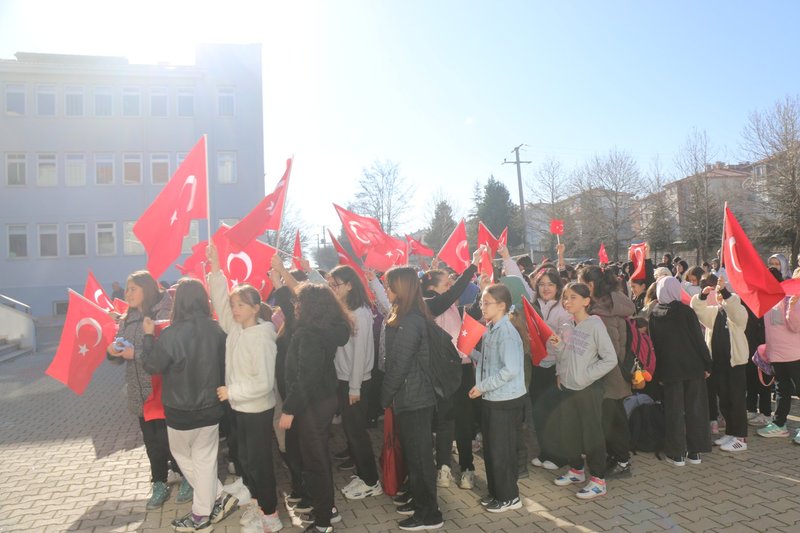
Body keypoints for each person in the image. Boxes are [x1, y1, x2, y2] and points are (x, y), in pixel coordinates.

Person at [140, 278, 237, 531]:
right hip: (211, 407)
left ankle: (201, 517)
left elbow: (151, 365)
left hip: (179, 411)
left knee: (186, 458)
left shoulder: (170, 334)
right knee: (204, 461)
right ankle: (218, 497)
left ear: (178, 302)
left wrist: (148, 337)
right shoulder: (217, 330)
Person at [206, 244, 283, 533]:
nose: (235, 309)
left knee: (260, 463)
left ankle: (270, 516)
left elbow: (263, 383)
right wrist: (216, 269)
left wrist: (232, 391)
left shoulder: (261, 338)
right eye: (234, 304)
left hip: (256, 410)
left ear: (255, 308)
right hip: (240, 408)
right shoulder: (237, 329)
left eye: (241, 305)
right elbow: (220, 303)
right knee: (247, 462)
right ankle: (256, 503)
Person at [278, 283, 351, 533]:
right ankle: (327, 509)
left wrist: (289, 409)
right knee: (317, 458)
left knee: (316, 462)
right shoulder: (325, 329)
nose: (295, 306)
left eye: (298, 301)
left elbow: (306, 378)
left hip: (312, 404)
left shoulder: (309, 334)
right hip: (322, 400)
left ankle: (322, 523)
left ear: (309, 306)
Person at [106, 271, 180, 510]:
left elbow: (167, 352)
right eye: (127, 289)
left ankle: (185, 476)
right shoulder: (127, 318)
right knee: (151, 442)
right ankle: (159, 483)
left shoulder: (163, 314)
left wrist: (135, 354)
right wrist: (112, 352)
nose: (127, 294)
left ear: (146, 290)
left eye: (132, 289)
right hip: (139, 392)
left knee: (170, 440)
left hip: (161, 391)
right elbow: (120, 353)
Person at [382, 267, 444, 531]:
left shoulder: (411, 320)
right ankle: (420, 502)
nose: (386, 290)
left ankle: (429, 515)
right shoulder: (408, 314)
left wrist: (385, 397)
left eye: (389, 286)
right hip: (411, 397)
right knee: (415, 457)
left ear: (401, 288)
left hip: (415, 399)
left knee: (420, 459)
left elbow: (399, 365)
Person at [549, 282, 617, 499]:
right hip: (567, 386)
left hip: (588, 388)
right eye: (565, 297)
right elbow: (565, 354)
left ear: (586, 301)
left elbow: (610, 359)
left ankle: (598, 480)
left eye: (573, 297)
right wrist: (560, 367)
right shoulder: (566, 325)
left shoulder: (595, 325)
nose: (567, 301)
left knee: (592, 434)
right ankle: (576, 470)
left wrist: (586, 376)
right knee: (569, 430)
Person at [420, 249, 481, 490]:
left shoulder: (451, 306)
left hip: (463, 368)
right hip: (444, 371)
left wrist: (484, 291)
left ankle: (467, 468)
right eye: (447, 283)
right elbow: (453, 293)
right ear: (432, 287)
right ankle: (443, 467)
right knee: (445, 420)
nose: (451, 286)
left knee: (465, 420)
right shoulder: (429, 304)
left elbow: (470, 314)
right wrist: (472, 267)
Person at [469, 282, 527, 512]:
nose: (482, 307)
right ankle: (496, 493)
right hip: (493, 398)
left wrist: (482, 387)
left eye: (487, 303)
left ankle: (509, 496)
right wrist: (468, 351)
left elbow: (510, 369)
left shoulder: (506, 333)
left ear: (502, 305)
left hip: (505, 400)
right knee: (492, 450)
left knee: (502, 451)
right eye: (481, 302)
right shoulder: (492, 329)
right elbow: (488, 361)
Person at [327, 265, 382, 500]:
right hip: (345, 379)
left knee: (357, 433)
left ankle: (371, 481)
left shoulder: (360, 313)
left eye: (336, 285)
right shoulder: (344, 308)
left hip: (356, 382)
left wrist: (355, 387)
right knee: (351, 432)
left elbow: (360, 353)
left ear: (350, 285)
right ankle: (363, 474)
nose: (332, 288)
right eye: (330, 285)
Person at [578, 266, 635, 479]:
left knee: (614, 421)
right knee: (611, 419)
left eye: (581, 284)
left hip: (611, 375)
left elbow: (610, 349)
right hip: (612, 373)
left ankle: (622, 462)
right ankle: (616, 457)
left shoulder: (603, 313)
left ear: (591, 285)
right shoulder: (609, 304)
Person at [649, 276, 712, 465]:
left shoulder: (654, 314)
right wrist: (707, 364)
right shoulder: (686, 312)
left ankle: (677, 454)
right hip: (693, 366)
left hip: (670, 369)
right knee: (696, 409)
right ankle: (695, 452)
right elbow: (698, 340)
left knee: (674, 411)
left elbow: (655, 346)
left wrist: (658, 373)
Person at [691, 274, 749, 452]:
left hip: (735, 364)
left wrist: (725, 292)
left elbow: (735, 312)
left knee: (737, 400)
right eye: (717, 293)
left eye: (722, 292)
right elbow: (697, 310)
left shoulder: (738, 310)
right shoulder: (715, 312)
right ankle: (731, 432)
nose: (719, 296)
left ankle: (740, 437)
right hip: (719, 363)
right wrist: (702, 295)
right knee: (724, 400)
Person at [529, 268, 571, 471]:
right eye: (542, 284)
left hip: (555, 368)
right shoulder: (534, 306)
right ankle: (545, 452)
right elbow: (518, 281)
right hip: (537, 366)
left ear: (557, 287)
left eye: (550, 284)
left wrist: (560, 372)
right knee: (539, 412)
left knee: (555, 413)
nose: (546, 288)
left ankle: (559, 456)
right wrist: (507, 257)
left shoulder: (563, 310)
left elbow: (567, 346)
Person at [756, 268, 800, 443]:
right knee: (782, 389)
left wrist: (792, 307)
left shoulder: (793, 298)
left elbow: (795, 326)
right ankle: (779, 424)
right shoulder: (773, 298)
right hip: (777, 354)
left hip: (795, 354)